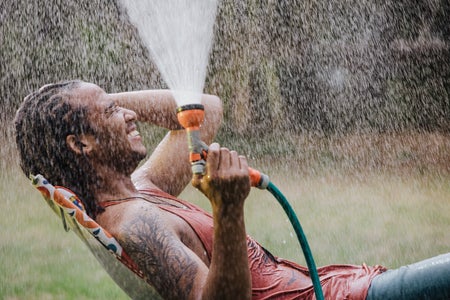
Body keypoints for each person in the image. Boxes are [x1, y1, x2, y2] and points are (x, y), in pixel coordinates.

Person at [15, 80, 450, 300]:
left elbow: (204, 109)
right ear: (80, 143)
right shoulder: (135, 223)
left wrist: (98, 101)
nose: (129, 113)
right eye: (112, 111)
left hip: (340, 285)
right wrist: (228, 208)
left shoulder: (142, 189)